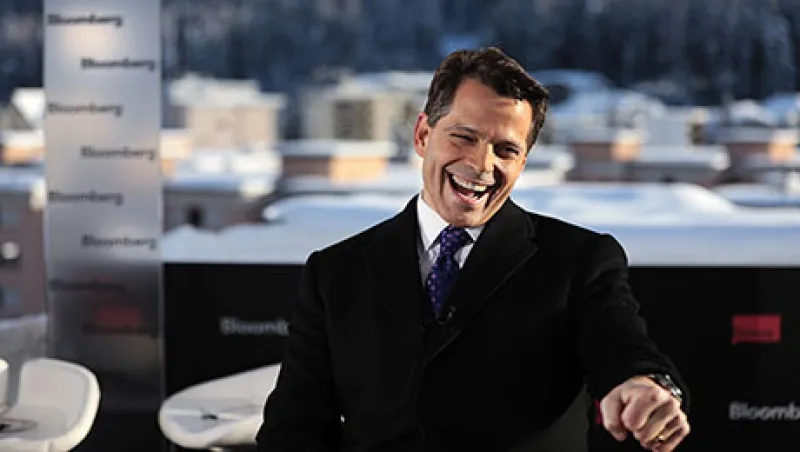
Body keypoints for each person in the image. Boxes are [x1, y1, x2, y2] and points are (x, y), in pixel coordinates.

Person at [257, 47, 690, 452]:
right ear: (423, 135)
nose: (482, 165)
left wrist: (645, 385)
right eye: (464, 137)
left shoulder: (580, 260)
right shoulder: (335, 272)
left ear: (523, 161)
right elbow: (293, 430)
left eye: (506, 150)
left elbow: (622, 347)